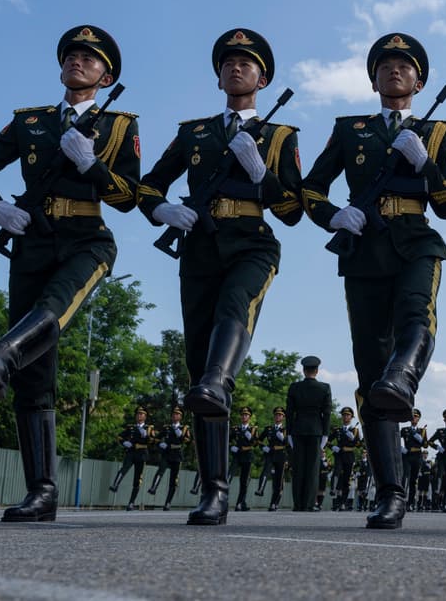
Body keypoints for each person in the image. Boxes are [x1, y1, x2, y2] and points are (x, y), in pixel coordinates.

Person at [138, 29, 302, 526]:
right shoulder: (195, 133)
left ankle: (217, 381)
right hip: (200, 246)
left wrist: (261, 173)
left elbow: (292, 209)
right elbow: (149, 183)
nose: (236, 68)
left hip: (253, 243)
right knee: (196, 363)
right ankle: (213, 490)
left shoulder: (278, 136)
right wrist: (163, 208)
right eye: (229, 63)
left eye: (247, 63)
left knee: (233, 317)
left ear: (263, 78)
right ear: (218, 77)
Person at [0, 26, 139, 523]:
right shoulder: (29, 121)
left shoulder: (118, 126)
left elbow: (130, 196)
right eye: (72, 55)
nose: (78, 62)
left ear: (105, 75)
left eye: (90, 59)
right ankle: (42, 491)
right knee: (34, 372)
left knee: (55, 307)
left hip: (87, 240)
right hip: (31, 239)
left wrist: (90, 165)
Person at [301, 32, 446, 529]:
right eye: (386, 65)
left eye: (405, 66)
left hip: (416, 240)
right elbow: (310, 187)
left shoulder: (436, 130)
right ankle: (391, 492)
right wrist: (332, 215)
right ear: (374, 78)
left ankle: (404, 378)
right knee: (370, 365)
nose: (395, 71)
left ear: (419, 80)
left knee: (418, 315)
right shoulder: (350, 129)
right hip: (365, 245)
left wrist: (425, 163)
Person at [286, 355, 332, 512]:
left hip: (297, 430)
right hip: (316, 431)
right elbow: (327, 413)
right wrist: (325, 435)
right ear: (317, 371)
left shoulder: (294, 387)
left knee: (298, 468)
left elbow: (289, 412)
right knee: (313, 470)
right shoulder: (324, 388)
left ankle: (298, 504)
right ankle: (309, 504)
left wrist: (289, 434)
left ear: (304, 370)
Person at [109, 406, 156, 511]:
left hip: (142, 454)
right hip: (131, 452)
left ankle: (131, 503)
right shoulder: (131, 427)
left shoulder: (149, 428)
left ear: (145, 416)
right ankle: (115, 485)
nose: (139, 416)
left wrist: (147, 437)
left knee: (137, 479)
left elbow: (153, 441)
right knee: (123, 469)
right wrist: (124, 443)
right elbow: (120, 436)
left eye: (141, 414)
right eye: (138, 414)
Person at [148, 406, 190, 511]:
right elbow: (156, 439)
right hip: (166, 454)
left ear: (181, 417)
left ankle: (168, 503)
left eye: (177, 414)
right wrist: (160, 444)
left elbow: (187, 440)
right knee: (160, 471)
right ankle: (153, 488)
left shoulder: (184, 428)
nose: (175, 416)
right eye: (173, 414)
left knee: (173, 480)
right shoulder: (166, 427)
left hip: (177, 455)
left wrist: (179, 432)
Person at [256, 406, 290, 511]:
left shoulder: (286, 430)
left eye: (280, 415)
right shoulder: (268, 429)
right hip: (270, 454)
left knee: (278, 481)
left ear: (283, 417)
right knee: (265, 471)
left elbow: (290, 445)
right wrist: (264, 447)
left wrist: (283, 439)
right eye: (276, 415)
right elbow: (259, 440)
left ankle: (274, 503)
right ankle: (260, 489)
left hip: (281, 456)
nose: (277, 416)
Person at [330, 406, 361, 511]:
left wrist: (353, 439)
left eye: (348, 415)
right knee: (337, 473)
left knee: (346, 480)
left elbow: (359, 444)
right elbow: (328, 440)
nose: (345, 417)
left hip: (349, 456)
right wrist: (332, 447)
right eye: (344, 415)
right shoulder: (337, 430)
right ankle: (333, 490)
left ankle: (342, 502)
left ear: (351, 417)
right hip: (339, 455)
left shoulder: (355, 430)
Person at [229, 406, 257, 512]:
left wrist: (251, 437)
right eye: (243, 415)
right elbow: (228, 439)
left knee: (244, 481)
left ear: (249, 417)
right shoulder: (235, 429)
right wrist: (231, 447)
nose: (244, 416)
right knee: (229, 476)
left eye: (246, 415)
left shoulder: (253, 429)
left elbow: (256, 443)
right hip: (237, 456)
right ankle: (222, 499)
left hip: (247, 457)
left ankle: (240, 503)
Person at [401, 408, 427, 511]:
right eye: (412, 416)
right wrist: (401, 448)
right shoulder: (405, 429)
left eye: (416, 417)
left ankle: (410, 503)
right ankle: (402, 500)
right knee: (405, 478)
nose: (414, 418)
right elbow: (396, 439)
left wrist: (420, 439)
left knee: (413, 480)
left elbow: (425, 445)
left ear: (419, 419)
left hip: (417, 456)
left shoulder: (422, 431)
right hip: (407, 455)